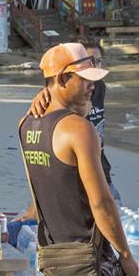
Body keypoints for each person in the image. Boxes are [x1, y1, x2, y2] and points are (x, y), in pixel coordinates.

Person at [19, 43, 139, 276]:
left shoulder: (26, 124)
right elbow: (101, 203)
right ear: (63, 79)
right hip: (90, 259)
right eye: (85, 80)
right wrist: (125, 254)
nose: (92, 87)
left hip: (56, 260)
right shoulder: (78, 130)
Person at [25, 39, 120, 204]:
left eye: (98, 61)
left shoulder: (98, 87)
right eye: (88, 63)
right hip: (72, 181)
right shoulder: (51, 100)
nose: (94, 67)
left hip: (101, 172)